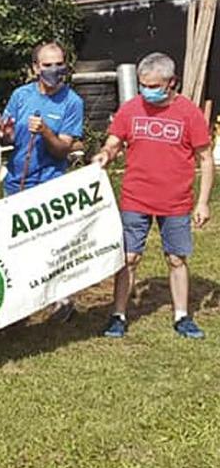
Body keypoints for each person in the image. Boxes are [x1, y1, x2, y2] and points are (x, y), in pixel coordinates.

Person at [93, 52, 214, 340]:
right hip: (136, 198)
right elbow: (114, 142)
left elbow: (206, 159)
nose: (147, 90)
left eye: (153, 85)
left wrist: (203, 201)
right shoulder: (131, 108)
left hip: (176, 201)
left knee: (176, 258)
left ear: (171, 83)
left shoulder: (189, 113)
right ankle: (118, 315)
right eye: (142, 84)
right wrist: (105, 155)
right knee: (129, 257)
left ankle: (182, 316)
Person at [0, 40, 84, 322]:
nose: (54, 70)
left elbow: (63, 149)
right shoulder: (20, 96)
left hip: (50, 181)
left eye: (59, 64)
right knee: (18, 245)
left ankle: (61, 299)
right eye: (47, 65)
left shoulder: (72, 102)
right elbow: (8, 137)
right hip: (17, 181)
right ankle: (21, 302)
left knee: (52, 243)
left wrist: (46, 131)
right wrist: (6, 132)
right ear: (36, 68)